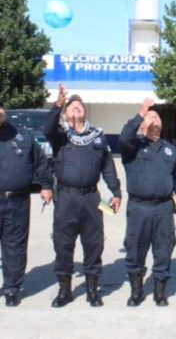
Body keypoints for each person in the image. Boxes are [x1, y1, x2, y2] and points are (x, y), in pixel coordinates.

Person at [45, 84, 121, 308]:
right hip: (66, 198)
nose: (76, 108)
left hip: (91, 198)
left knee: (94, 243)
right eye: (71, 106)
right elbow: (47, 128)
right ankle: (65, 291)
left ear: (85, 112)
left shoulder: (97, 137)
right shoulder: (59, 137)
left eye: (80, 106)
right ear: (66, 114)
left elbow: (108, 166)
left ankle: (92, 290)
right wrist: (58, 104)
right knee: (63, 244)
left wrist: (115, 191)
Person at [119, 98, 176, 307]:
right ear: (142, 123)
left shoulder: (170, 150)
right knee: (135, 250)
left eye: (156, 115)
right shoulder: (132, 146)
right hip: (138, 208)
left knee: (163, 250)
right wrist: (140, 113)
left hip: (163, 209)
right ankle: (136, 292)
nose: (153, 117)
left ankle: (160, 293)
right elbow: (123, 138)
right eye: (150, 115)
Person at [0, 99, 53, 307]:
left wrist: (46, 185)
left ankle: (12, 288)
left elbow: (40, 161)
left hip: (17, 200)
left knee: (15, 246)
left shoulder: (22, 134)